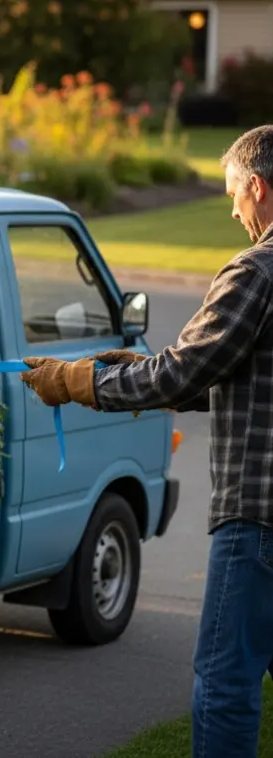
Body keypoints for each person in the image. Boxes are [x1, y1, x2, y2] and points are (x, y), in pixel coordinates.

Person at [19, 124, 273, 758]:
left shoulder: (256, 271)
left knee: (224, 683)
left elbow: (185, 371)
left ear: (258, 186)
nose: (232, 208)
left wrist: (82, 382)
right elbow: (223, 374)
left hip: (257, 522)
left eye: (233, 194)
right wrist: (118, 369)